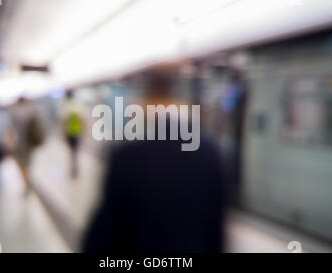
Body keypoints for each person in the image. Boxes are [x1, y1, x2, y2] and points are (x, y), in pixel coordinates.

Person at [83, 67, 227, 253]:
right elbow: (216, 233)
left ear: (147, 98)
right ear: (180, 98)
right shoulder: (210, 153)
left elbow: (106, 232)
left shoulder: (127, 155)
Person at [10, 97, 45, 193]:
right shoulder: (32, 111)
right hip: (30, 142)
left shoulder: (15, 112)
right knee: (28, 162)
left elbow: (11, 130)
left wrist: (11, 143)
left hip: (19, 143)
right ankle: (27, 179)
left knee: (21, 163)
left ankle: (26, 181)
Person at [59, 90, 84, 179]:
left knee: (72, 151)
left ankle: (73, 168)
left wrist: (63, 134)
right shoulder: (78, 105)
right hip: (78, 132)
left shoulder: (66, 106)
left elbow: (63, 121)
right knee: (75, 151)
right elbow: (82, 119)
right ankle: (75, 168)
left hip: (69, 132)